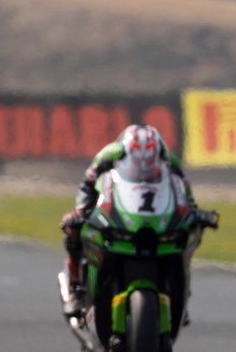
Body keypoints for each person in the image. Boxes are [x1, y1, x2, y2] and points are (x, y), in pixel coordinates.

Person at [59, 124, 216, 319]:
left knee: (191, 232)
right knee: (74, 229)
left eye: (149, 158)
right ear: (127, 151)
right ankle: (74, 286)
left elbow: (185, 190)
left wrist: (194, 212)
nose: (143, 164)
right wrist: (81, 210)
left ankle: (179, 294)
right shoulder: (109, 155)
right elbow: (87, 184)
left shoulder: (169, 159)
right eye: (138, 157)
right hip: (109, 200)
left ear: (158, 152)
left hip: (150, 207)